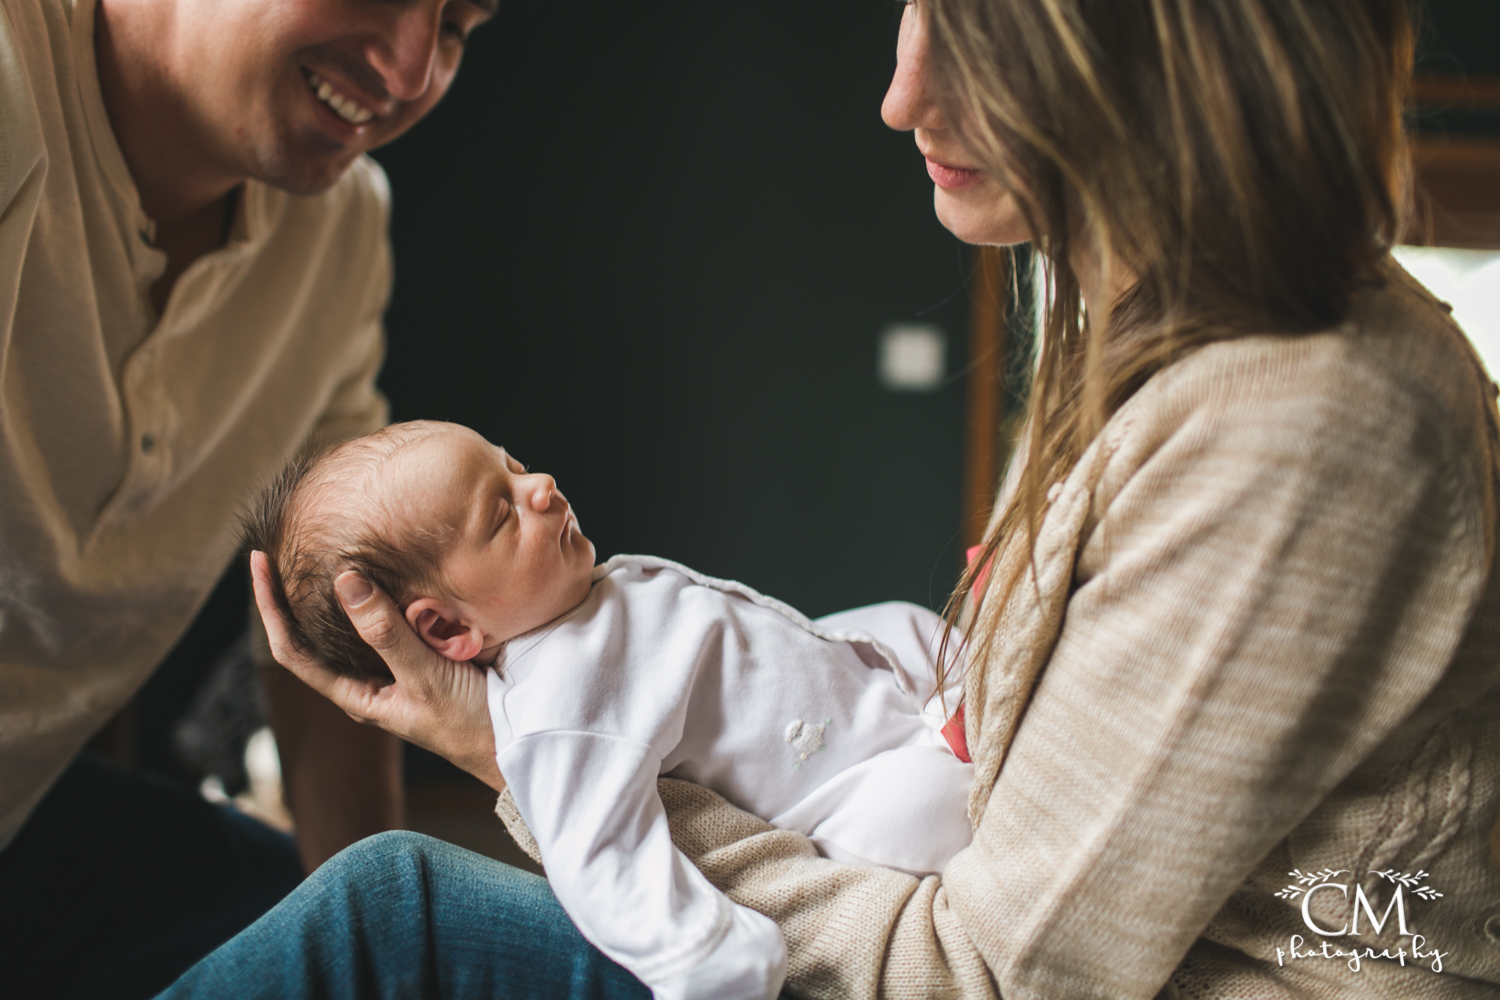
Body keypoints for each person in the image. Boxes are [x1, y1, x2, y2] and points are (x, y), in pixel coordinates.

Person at [161, 0, 1500, 998]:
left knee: (385, 918)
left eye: (973, 39)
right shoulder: (1159, 330)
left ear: (1158, 60)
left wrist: (515, 758)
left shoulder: (1294, 422)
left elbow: (985, 974)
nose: (901, 96)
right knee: (240, 874)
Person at [0, 0, 494, 995]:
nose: (408, 75)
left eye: (455, 26)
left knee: (466, 938)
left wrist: (381, 948)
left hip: (28, 813)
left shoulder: (342, 233)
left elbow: (340, 595)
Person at [244, 419, 974, 999]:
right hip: (848, 794)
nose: (540, 485)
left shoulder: (584, 599)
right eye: (501, 513)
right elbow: (605, 862)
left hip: (852, 692)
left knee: (901, 620)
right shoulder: (552, 714)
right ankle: (961, 752)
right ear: (446, 629)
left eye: (512, 463)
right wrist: (712, 964)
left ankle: (955, 707)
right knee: (921, 803)